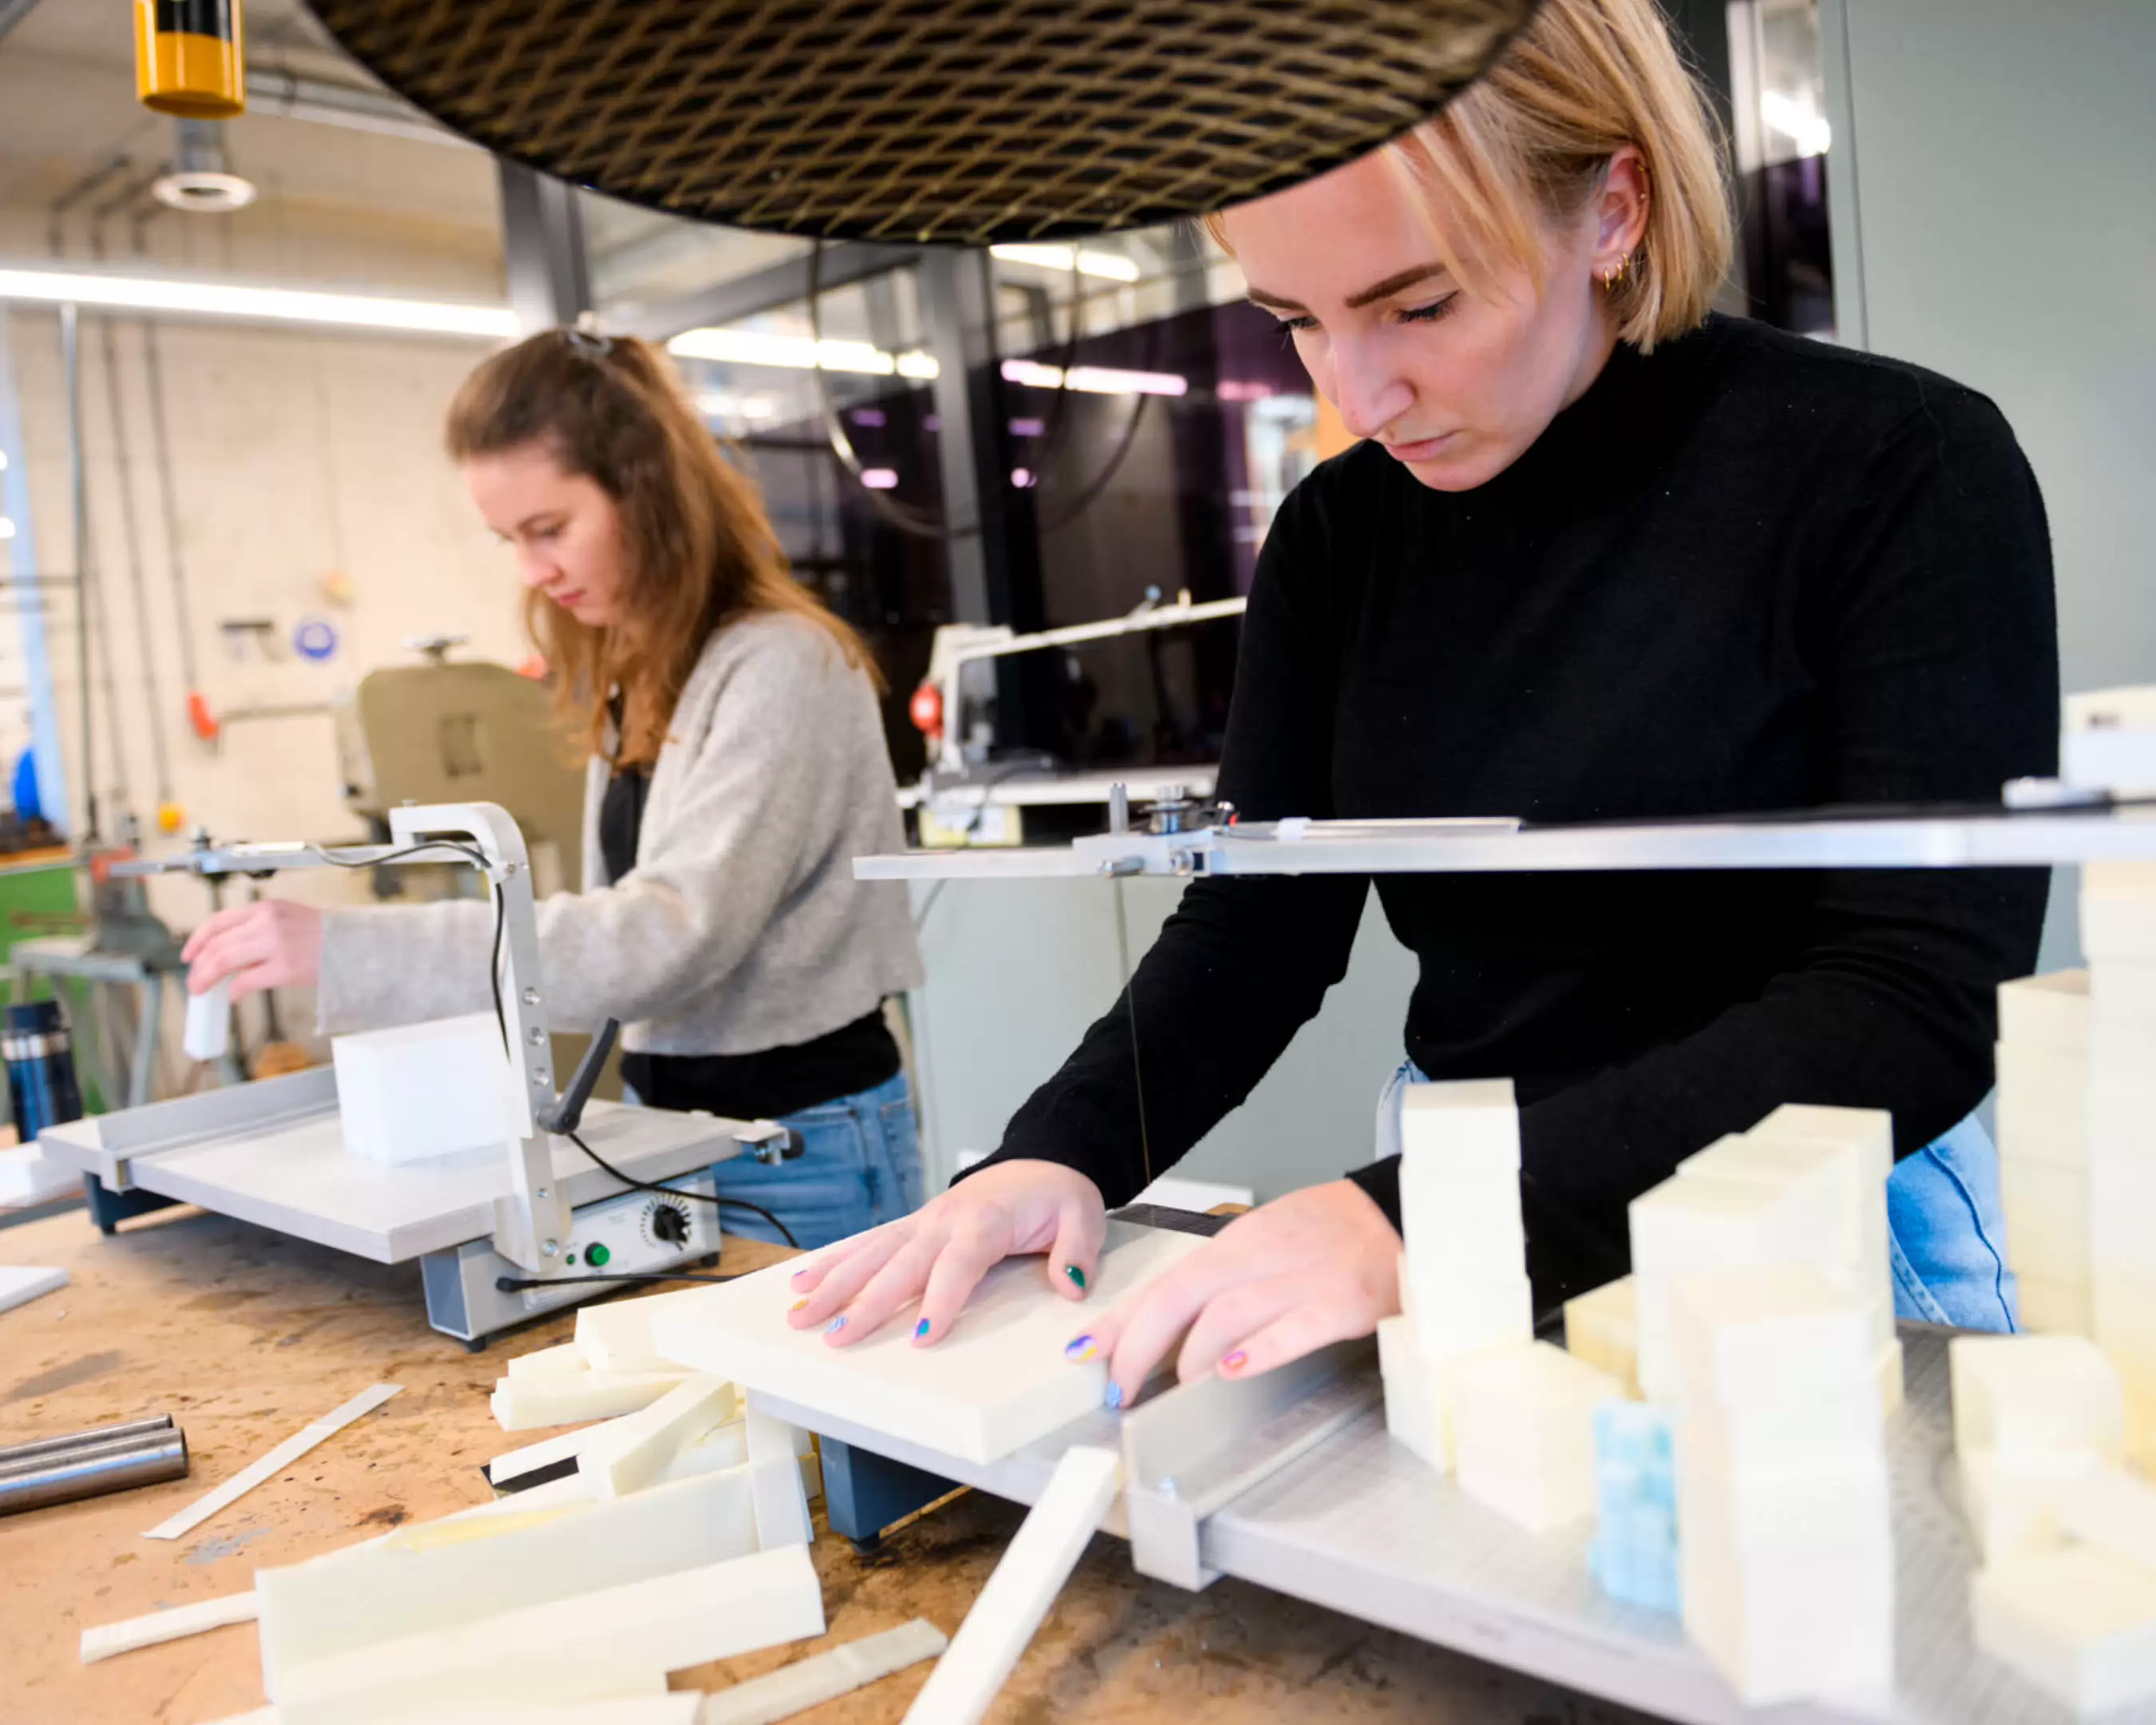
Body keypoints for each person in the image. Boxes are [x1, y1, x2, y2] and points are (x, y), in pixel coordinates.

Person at [787, 0, 2055, 1394]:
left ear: (1615, 208)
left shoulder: (1897, 465)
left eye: (1420, 304)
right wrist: (1060, 1148)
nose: (1360, 392)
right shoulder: (1340, 535)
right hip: (1446, 1194)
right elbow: (1258, 921)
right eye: (1296, 324)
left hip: (1806, 1206)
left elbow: (1917, 995)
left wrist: (1427, 1222)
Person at [183, 329, 927, 1248]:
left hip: (806, 1143)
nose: (533, 570)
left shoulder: (779, 665)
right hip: (679, 1130)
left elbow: (665, 934)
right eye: (511, 539)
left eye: (549, 529)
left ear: (647, 491)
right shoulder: (641, 673)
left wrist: (353, 950)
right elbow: (619, 920)